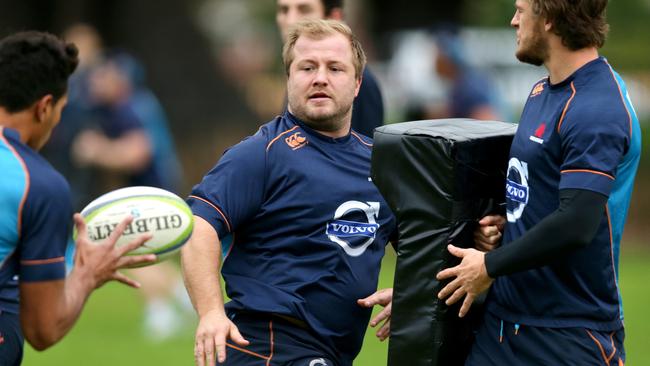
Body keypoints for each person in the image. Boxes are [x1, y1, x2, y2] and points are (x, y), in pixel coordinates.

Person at [436, 0, 641, 364]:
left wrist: (489, 265)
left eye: (520, 10)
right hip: (502, 326)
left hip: (567, 336)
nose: (514, 21)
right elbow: (538, 195)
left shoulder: (597, 107)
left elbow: (575, 223)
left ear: (547, 17)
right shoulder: (541, 92)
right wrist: (507, 224)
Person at [181, 19, 396, 366]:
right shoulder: (261, 154)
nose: (320, 77)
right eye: (307, 67)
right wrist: (210, 313)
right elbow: (200, 227)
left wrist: (412, 294)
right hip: (267, 347)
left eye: (335, 68)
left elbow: (424, 243)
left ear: (357, 84)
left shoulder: (382, 165)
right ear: (289, 79)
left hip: (331, 353)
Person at [0, 31, 155, 365]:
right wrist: (87, 274)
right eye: (60, 110)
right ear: (44, 108)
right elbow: (43, 329)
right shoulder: (37, 185)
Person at [276, 0, 384, 137]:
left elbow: (364, 153)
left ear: (334, 17)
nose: (291, 20)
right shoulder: (298, 75)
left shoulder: (357, 84)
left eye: (304, 10)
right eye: (284, 10)